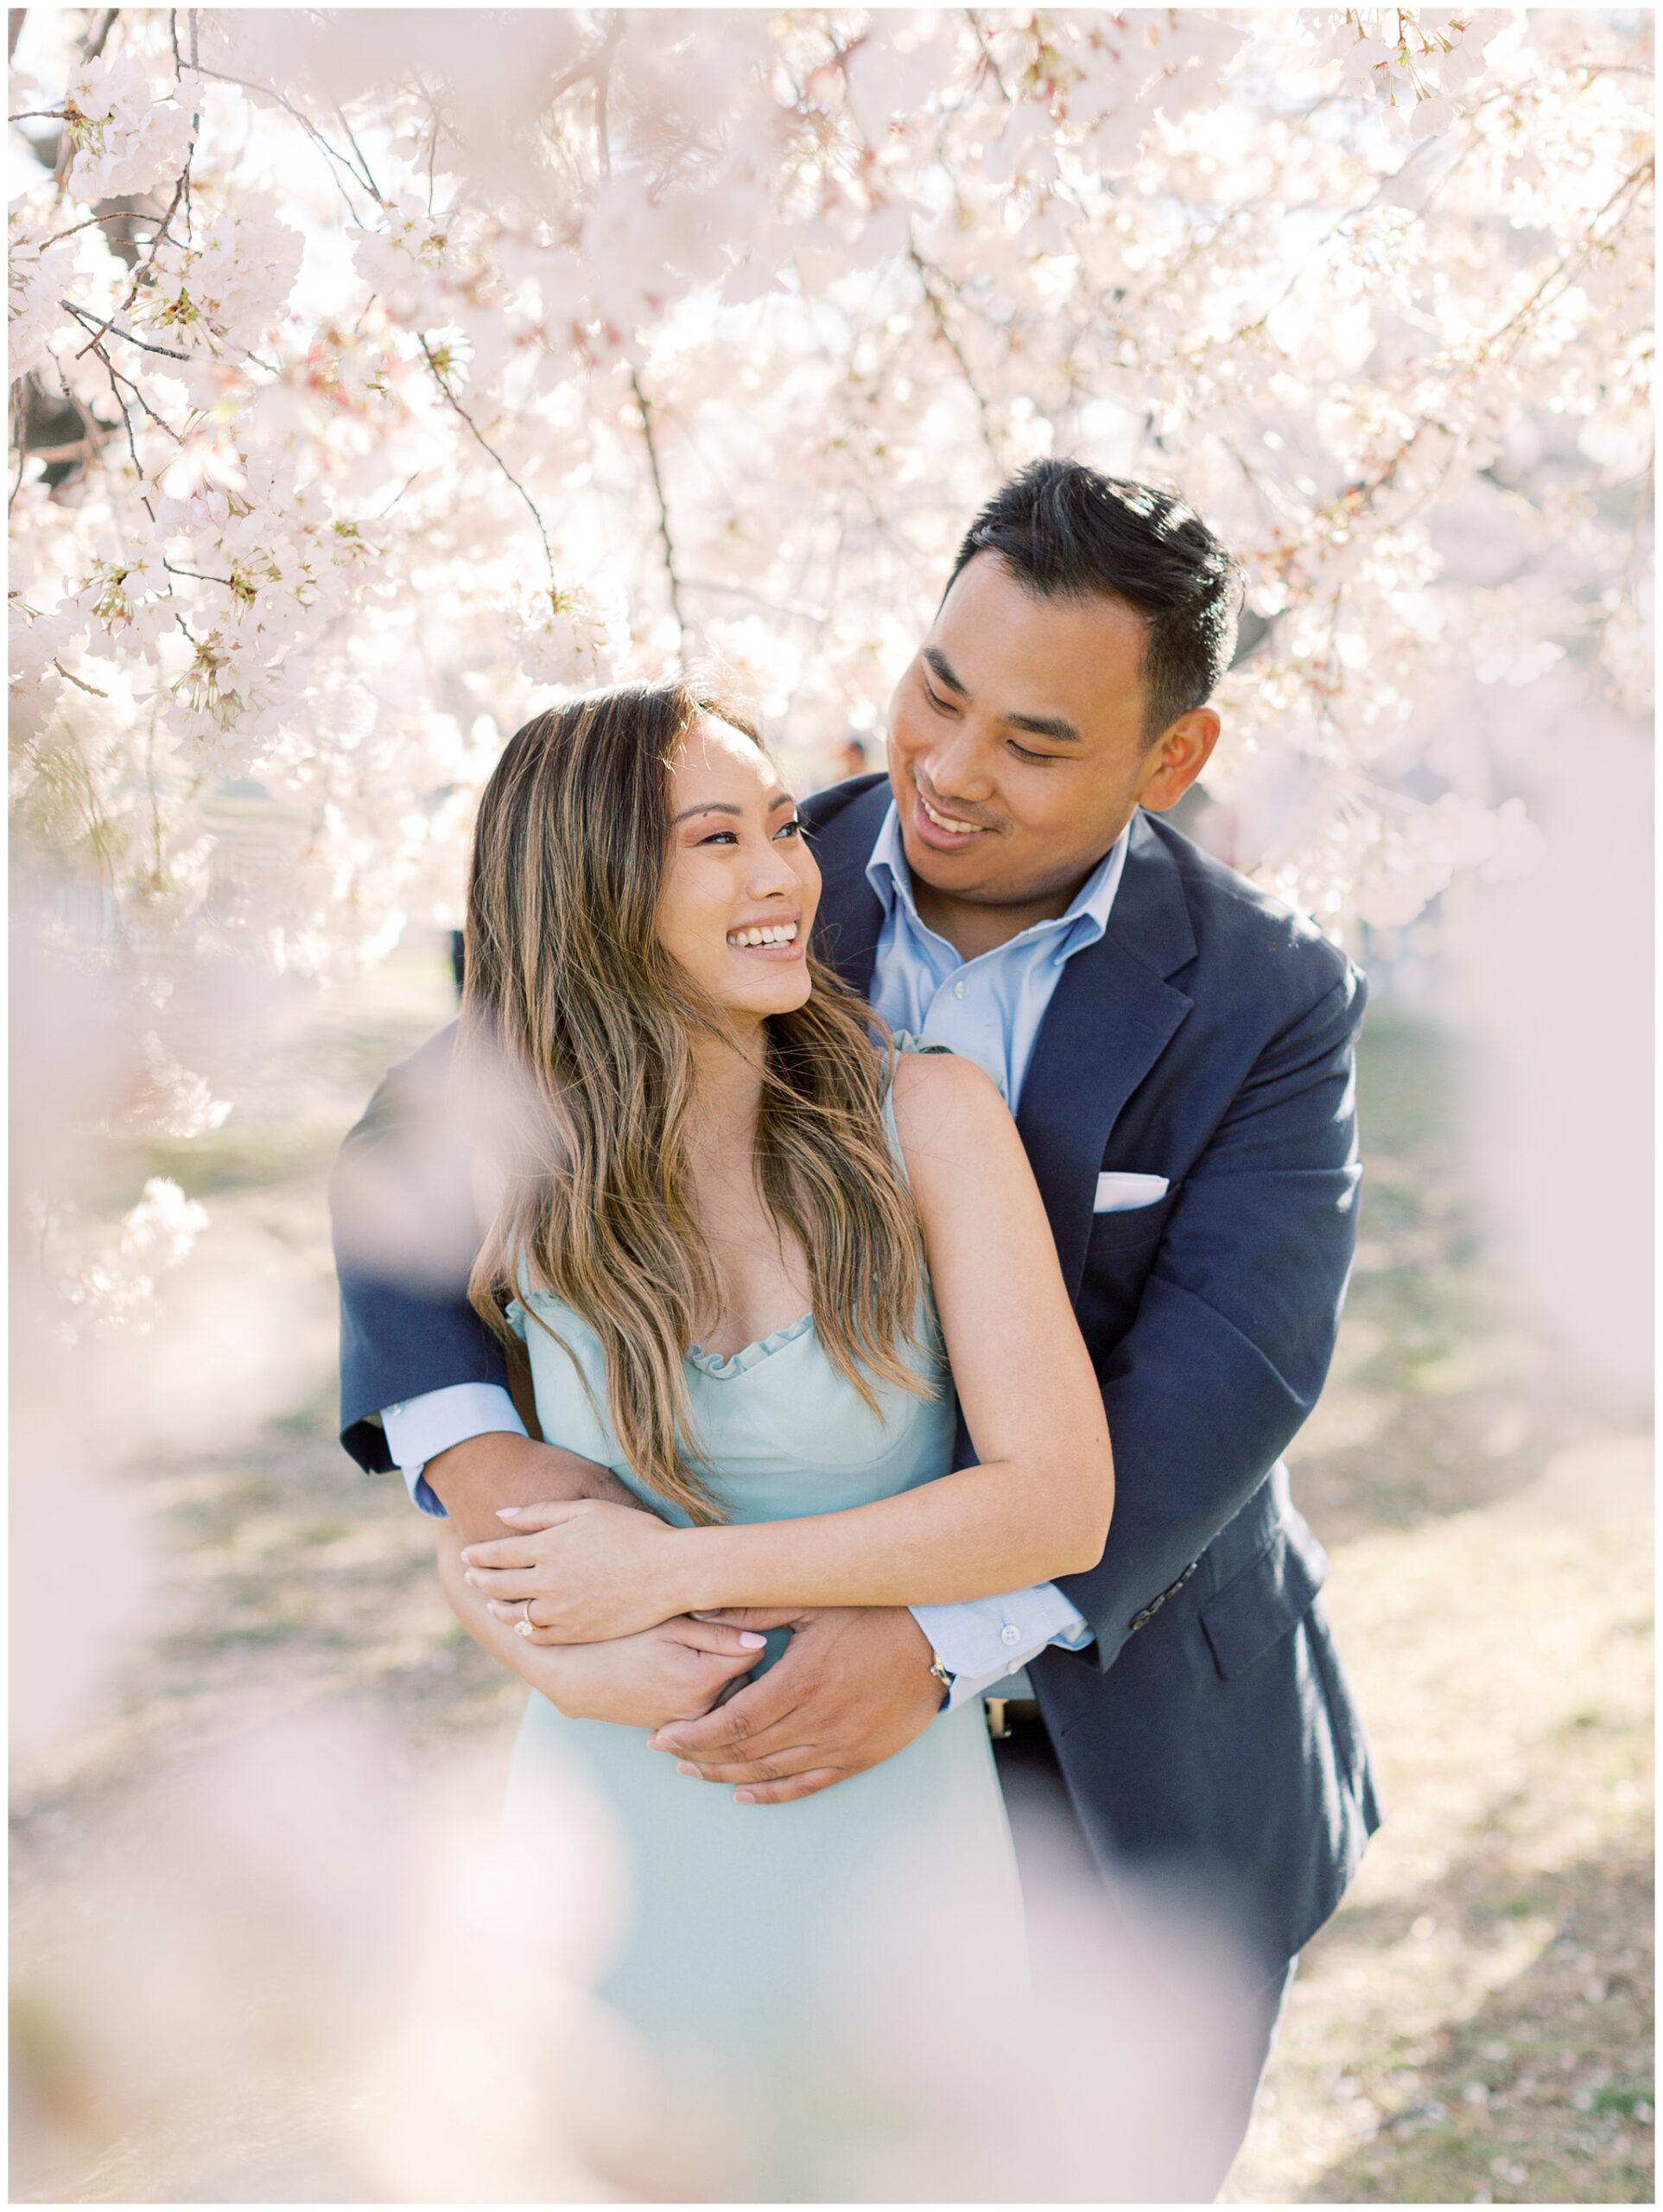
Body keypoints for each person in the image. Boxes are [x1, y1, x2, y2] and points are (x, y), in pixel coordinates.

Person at [332, 459, 1381, 2199]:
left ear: (1170, 761)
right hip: (726, 1774)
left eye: (1036, 740)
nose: (953, 768)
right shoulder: (742, 865)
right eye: (938, 689)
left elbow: (1234, 1374)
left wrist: (936, 1632)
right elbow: (413, 1157)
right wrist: (499, 1484)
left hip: (1129, 1738)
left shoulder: (1276, 1002)